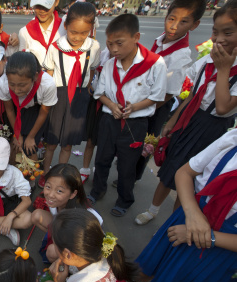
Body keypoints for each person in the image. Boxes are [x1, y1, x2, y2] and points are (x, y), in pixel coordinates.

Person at [136, 1, 237, 225]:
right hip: (190, 118)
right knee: (170, 167)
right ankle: (152, 210)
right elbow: (192, 94)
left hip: (212, 129)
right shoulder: (207, 59)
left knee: (189, 179)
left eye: (228, 32)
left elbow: (222, 107)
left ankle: (173, 224)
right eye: (215, 32)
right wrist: (173, 119)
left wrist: (223, 70)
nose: (219, 39)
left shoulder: (225, 66)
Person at [137, 128, 237, 282]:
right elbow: (185, 172)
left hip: (225, 242)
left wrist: (205, 236)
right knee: (153, 260)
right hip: (192, 212)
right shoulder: (232, 138)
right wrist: (192, 214)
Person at [133, 0, 204, 225]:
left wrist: (145, 106)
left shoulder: (181, 54)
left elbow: (170, 92)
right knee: (136, 140)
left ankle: (134, 174)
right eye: (171, 19)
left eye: (183, 22)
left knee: (147, 143)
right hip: (144, 100)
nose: (174, 26)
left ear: (194, 25)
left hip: (156, 107)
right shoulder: (159, 41)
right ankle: (130, 169)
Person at [89, 14, 167, 217]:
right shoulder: (109, 65)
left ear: (136, 37)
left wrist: (135, 107)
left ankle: (125, 199)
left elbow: (157, 97)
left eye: (119, 43)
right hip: (109, 119)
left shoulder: (155, 64)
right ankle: (98, 189)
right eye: (110, 43)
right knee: (102, 159)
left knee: (127, 165)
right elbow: (100, 93)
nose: (113, 49)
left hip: (136, 122)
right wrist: (112, 105)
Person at [42, 2, 101, 187]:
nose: (78, 37)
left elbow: (92, 70)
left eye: (84, 33)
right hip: (58, 96)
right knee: (51, 142)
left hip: (79, 98)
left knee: (67, 144)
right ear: (65, 25)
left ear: (91, 29)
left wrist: (88, 88)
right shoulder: (55, 48)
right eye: (74, 32)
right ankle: (46, 175)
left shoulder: (94, 47)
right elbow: (49, 74)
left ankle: (60, 176)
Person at [32, 163, 103, 263]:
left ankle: (65, 263)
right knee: (36, 216)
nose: (51, 195)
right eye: (48, 186)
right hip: (65, 233)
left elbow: (94, 239)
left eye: (59, 191)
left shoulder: (85, 214)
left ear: (73, 194)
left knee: (51, 252)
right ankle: (56, 240)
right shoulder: (56, 202)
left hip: (79, 247)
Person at [0, 51, 57, 159]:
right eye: (12, 84)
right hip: (15, 111)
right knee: (15, 147)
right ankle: (13, 172)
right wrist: (17, 135)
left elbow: (43, 113)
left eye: (22, 85)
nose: (16, 90)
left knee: (29, 148)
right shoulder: (4, 82)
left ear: (34, 77)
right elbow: (10, 110)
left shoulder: (47, 85)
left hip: (36, 111)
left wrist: (30, 137)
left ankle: (30, 173)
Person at [80, 47, 111, 184]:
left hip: (113, 105)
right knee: (91, 139)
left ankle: (100, 176)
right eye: (110, 43)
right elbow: (92, 71)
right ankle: (85, 169)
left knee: (105, 144)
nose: (113, 48)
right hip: (97, 102)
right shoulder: (103, 54)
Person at [19, 0, 66, 66]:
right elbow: (21, 64)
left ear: (56, 2)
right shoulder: (24, 32)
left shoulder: (66, 28)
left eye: (47, 5)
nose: (42, 10)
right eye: (38, 5)